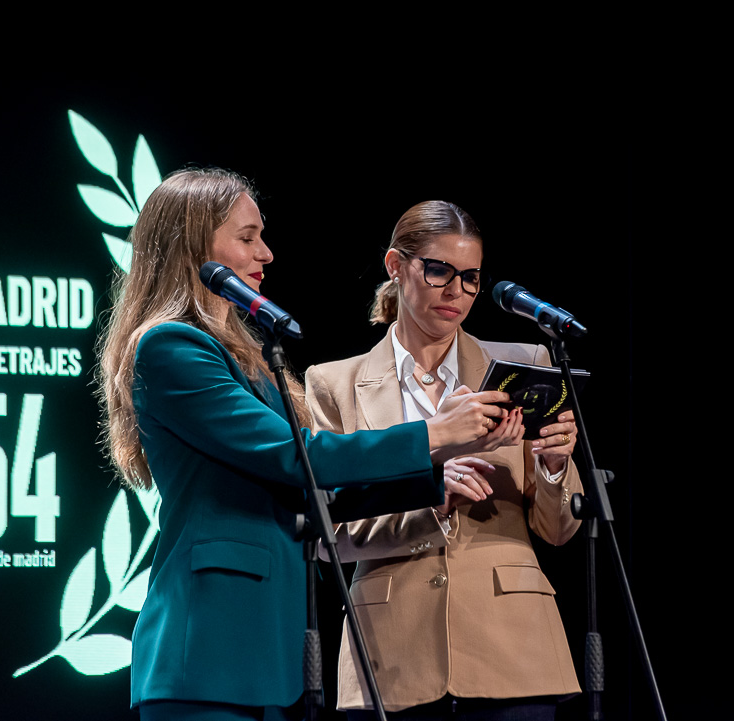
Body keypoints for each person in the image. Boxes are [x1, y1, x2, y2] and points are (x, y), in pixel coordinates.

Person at [97, 171, 513, 721]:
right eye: (247, 237)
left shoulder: (246, 360)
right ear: (194, 245)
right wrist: (434, 434)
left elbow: (316, 495)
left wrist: (432, 486)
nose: (265, 253)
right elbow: (300, 457)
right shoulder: (171, 347)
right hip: (207, 647)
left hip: (269, 650)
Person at [305, 201, 583, 720]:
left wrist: (553, 467)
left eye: (471, 277)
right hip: (391, 652)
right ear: (395, 266)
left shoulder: (525, 363)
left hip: (513, 646)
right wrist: (430, 491)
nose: (456, 291)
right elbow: (328, 537)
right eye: (439, 270)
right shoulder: (333, 383)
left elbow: (560, 529)